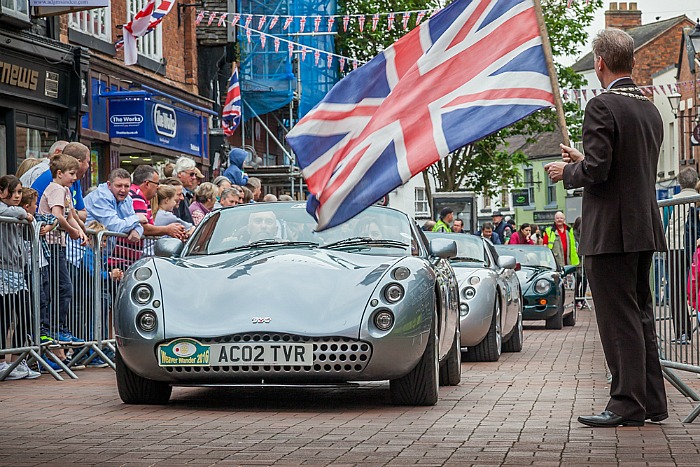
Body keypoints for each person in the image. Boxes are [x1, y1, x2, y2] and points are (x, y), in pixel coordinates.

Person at [546, 28, 667, 427]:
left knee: (619, 321)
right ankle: (652, 402)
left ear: (599, 62)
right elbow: (623, 167)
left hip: (610, 232)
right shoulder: (648, 108)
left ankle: (625, 404)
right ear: (630, 62)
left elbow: (597, 171)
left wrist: (568, 171)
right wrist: (584, 158)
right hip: (642, 227)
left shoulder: (601, 105)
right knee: (641, 315)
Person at [37, 154, 88, 345]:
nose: (75, 178)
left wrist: (82, 231)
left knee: (61, 287)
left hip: (59, 244)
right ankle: (56, 328)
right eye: (72, 173)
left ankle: (59, 327)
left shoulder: (65, 190)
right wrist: (73, 232)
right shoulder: (56, 189)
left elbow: (71, 214)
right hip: (50, 244)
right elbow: (58, 216)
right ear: (59, 173)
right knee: (63, 287)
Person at [0, 175, 39, 380]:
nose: (16, 196)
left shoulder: (17, 214)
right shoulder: (7, 210)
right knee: (4, 318)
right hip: (2, 271)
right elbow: (7, 210)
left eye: (19, 192)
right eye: (12, 192)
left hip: (17, 271)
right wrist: (23, 212)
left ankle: (16, 360)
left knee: (24, 314)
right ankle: (1, 362)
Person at [664, 167, 698, 344]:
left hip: (674, 246)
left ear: (679, 183)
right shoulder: (697, 201)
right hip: (695, 247)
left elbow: (664, 225)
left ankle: (682, 331)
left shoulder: (671, 202)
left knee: (676, 290)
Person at [32, 142, 90, 225]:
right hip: (45, 231)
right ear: (78, 162)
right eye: (87, 162)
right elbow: (58, 215)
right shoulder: (54, 180)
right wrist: (72, 229)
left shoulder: (73, 181)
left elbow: (84, 215)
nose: (88, 166)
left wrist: (71, 213)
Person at [84, 168, 145, 242]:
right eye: (119, 186)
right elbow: (114, 227)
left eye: (126, 186)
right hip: (83, 248)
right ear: (109, 185)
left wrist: (137, 230)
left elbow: (136, 224)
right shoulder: (101, 197)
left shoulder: (127, 199)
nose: (123, 190)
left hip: (102, 250)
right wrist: (137, 218)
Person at [129, 165, 186, 239]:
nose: (158, 187)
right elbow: (142, 227)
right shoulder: (137, 196)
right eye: (157, 183)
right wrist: (167, 230)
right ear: (147, 184)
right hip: (127, 249)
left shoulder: (142, 197)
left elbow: (149, 225)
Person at [173, 156, 196, 224]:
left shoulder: (187, 194)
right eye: (191, 174)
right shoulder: (173, 193)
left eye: (195, 174)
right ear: (180, 174)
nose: (194, 177)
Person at [572, 217, 589, 309]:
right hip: (577, 262)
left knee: (584, 281)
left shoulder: (585, 235)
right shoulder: (574, 235)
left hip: (584, 262)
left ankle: (582, 299)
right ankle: (577, 300)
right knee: (578, 281)